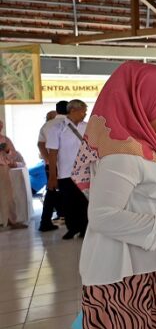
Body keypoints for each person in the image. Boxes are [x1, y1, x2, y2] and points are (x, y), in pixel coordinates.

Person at [77, 61, 156, 329]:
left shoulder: (150, 146)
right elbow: (102, 217)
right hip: (127, 277)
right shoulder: (122, 154)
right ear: (144, 99)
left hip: (154, 266)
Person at [46, 99, 89, 239]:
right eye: (83, 111)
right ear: (73, 110)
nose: (85, 114)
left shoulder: (87, 127)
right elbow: (52, 153)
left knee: (84, 201)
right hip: (65, 173)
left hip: (86, 172)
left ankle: (85, 229)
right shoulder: (57, 128)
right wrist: (53, 175)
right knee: (69, 202)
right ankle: (72, 228)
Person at [37, 101, 69, 231]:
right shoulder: (71, 124)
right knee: (72, 192)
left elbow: (40, 144)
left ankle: (45, 222)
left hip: (52, 165)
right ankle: (75, 221)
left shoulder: (47, 125)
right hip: (68, 165)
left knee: (51, 192)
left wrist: (48, 160)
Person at [0, 119, 28, 229]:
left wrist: (7, 151)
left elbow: (13, 154)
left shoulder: (5, 139)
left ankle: (11, 220)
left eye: (0, 125)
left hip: (2, 168)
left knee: (7, 195)